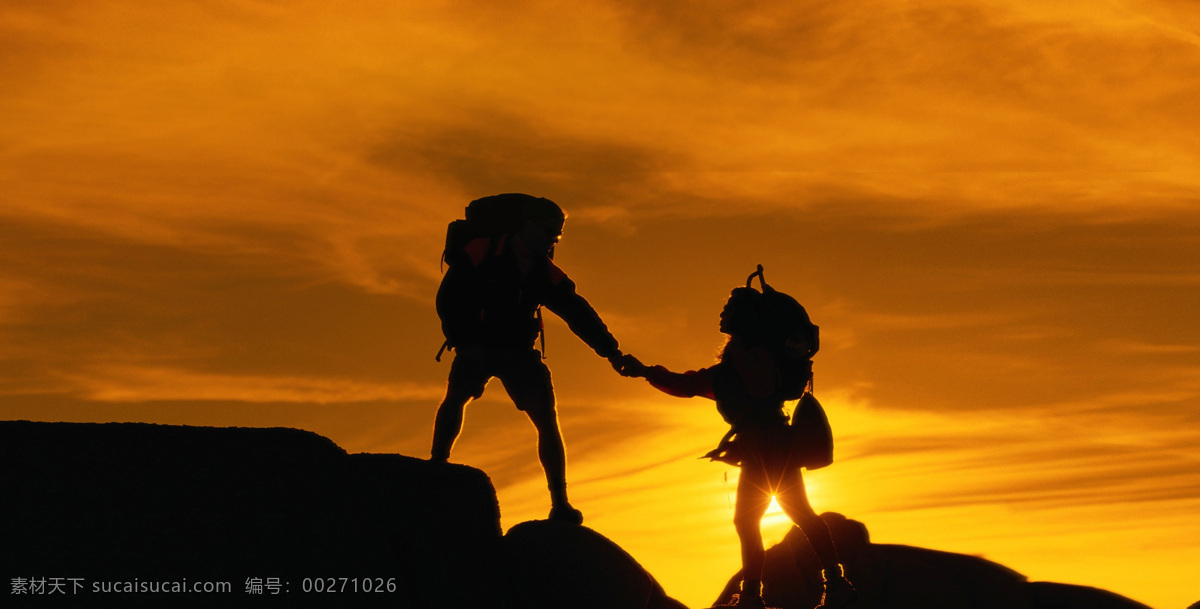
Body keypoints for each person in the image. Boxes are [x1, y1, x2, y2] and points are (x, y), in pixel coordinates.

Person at [619, 267, 856, 609]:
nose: (721, 312)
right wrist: (647, 372)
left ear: (742, 318)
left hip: (765, 444)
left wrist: (650, 373)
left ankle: (763, 596)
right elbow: (699, 384)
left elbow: (732, 387)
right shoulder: (740, 361)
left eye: (728, 308)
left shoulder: (747, 357)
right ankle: (829, 585)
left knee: (763, 518)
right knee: (792, 513)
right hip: (767, 443)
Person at [430, 193, 636, 525]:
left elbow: (577, 312)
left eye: (556, 235)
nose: (551, 239)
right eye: (546, 231)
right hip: (477, 344)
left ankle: (560, 503)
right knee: (457, 396)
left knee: (546, 418)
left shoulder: (545, 273)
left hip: (518, 350)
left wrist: (611, 351)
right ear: (526, 226)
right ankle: (436, 466)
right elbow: (449, 299)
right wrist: (464, 342)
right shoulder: (481, 252)